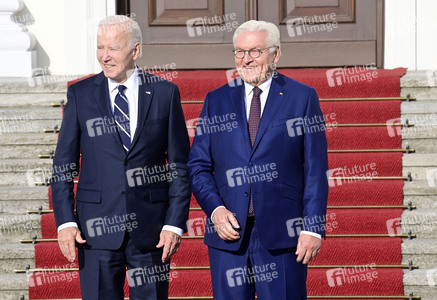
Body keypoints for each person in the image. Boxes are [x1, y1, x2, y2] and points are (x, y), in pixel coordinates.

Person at [51, 15, 191, 300]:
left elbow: (179, 166)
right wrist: (65, 222)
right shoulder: (80, 94)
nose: (104, 56)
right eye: (100, 47)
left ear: (135, 50)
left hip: (151, 231)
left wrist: (174, 223)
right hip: (95, 230)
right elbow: (63, 165)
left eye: (113, 48)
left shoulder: (165, 93)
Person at [187, 20, 329, 300]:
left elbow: (315, 169)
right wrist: (215, 211)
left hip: (282, 237)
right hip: (228, 237)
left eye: (255, 51)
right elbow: (198, 166)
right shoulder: (216, 100)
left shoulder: (302, 98)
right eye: (239, 52)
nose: (246, 59)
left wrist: (313, 228)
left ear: (276, 54)